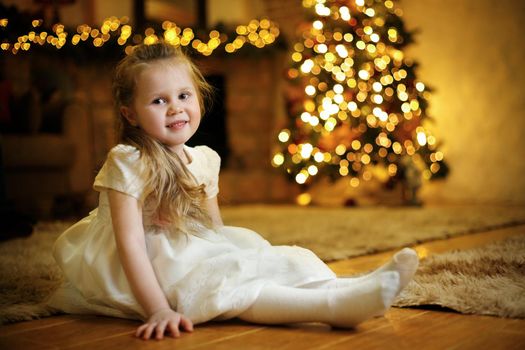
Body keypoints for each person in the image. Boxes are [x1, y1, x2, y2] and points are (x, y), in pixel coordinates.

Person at [49, 41, 419, 341]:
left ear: (198, 97)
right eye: (159, 101)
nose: (175, 108)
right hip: (140, 261)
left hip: (183, 243)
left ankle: (346, 289)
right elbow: (130, 243)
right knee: (223, 286)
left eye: (183, 95)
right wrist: (158, 308)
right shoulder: (129, 159)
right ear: (131, 114)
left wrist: (229, 253)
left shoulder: (205, 160)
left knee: (257, 258)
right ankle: (331, 309)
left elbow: (214, 230)